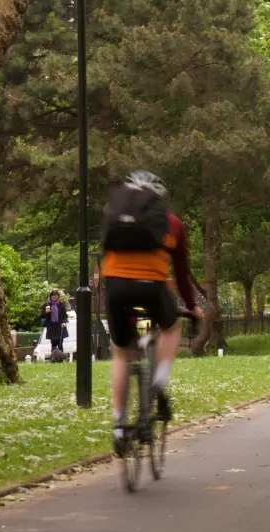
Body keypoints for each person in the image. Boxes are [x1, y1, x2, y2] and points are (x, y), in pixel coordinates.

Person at [101, 171, 202, 454]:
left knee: (121, 351)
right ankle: (159, 380)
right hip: (152, 287)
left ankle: (119, 425)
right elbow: (181, 274)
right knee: (171, 328)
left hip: (117, 286)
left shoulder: (114, 213)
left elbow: (105, 249)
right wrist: (192, 308)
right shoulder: (173, 223)